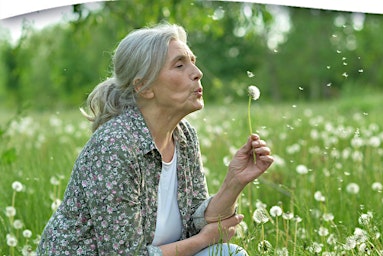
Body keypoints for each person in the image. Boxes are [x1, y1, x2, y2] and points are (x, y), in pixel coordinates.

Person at [37, 23, 274, 255]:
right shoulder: (114, 147)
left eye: (193, 62)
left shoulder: (184, 136)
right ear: (144, 87)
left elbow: (195, 220)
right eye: (180, 65)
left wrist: (234, 182)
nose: (197, 73)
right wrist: (203, 240)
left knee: (228, 253)